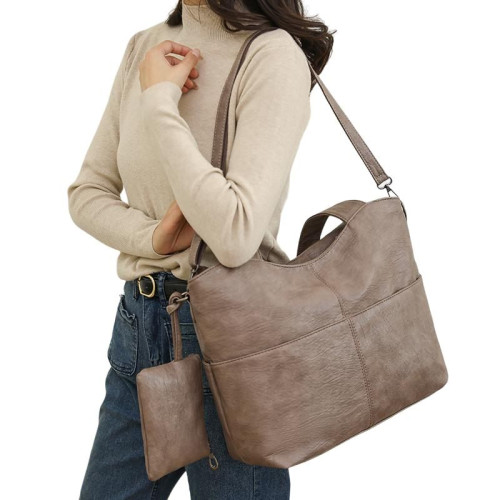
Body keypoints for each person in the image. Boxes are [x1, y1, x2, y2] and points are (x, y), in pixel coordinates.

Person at [67, 0, 334, 498]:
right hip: (140, 330)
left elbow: (235, 235)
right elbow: (87, 193)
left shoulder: (272, 55)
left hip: (232, 344)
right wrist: (153, 239)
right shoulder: (145, 47)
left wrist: (160, 103)